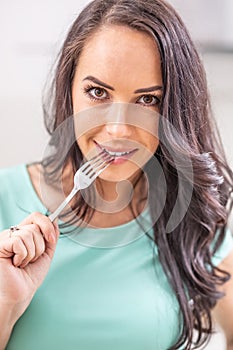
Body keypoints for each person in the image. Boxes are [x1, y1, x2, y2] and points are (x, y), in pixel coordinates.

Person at [0, 0, 233, 349]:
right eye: (98, 93)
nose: (118, 129)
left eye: (147, 100)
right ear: (70, 89)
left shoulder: (191, 216)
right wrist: (7, 303)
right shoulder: (4, 199)